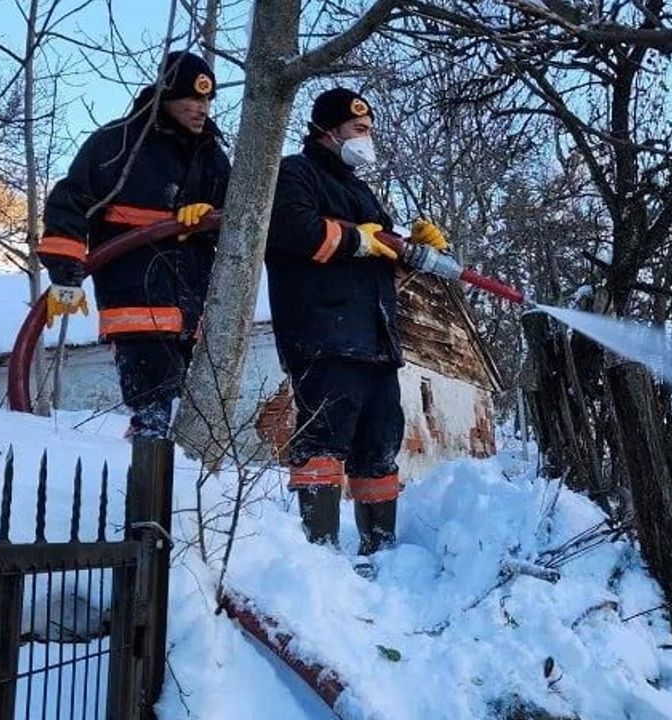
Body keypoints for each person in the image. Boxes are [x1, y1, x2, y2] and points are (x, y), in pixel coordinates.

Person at [265, 87, 448, 574]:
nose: (367, 140)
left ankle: (381, 554)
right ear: (329, 130)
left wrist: (412, 252)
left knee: (380, 446)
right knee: (323, 444)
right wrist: (357, 238)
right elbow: (289, 229)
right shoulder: (294, 174)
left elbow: (378, 269)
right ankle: (318, 559)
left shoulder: (360, 191)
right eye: (359, 130)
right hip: (323, 335)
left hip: (376, 342)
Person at [38, 51, 231, 438]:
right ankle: (145, 483)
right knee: (154, 413)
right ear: (165, 96)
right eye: (191, 99)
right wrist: (66, 271)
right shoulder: (118, 142)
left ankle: (177, 489)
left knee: (189, 419)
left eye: (207, 101)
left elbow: (238, 222)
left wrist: (209, 217)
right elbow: (70, 202)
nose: (201, 109)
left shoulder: (211, 155)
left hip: (193, 305)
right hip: (137, 301)